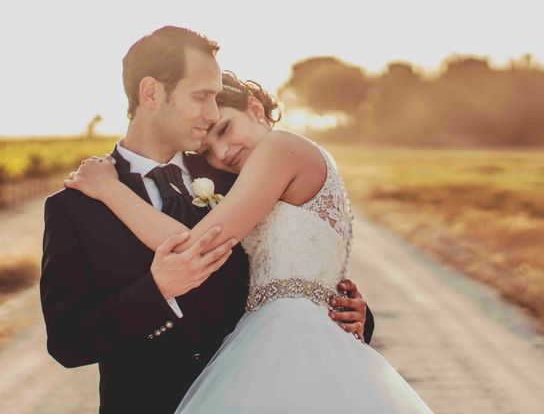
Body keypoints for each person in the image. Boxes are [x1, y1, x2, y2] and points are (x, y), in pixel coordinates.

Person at [40, 26, 373, 414]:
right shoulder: (76, 207)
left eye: (216, 99)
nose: (212, 113)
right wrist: (157, 290)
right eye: (201, 97)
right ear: (150, 93)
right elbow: (68, 342)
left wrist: (357, 318)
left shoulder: (240, 174)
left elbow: (299, 278)